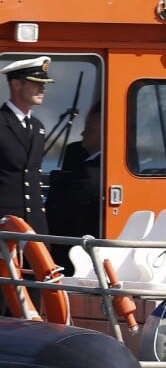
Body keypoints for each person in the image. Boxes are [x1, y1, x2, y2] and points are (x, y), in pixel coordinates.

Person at [0, 55, 54, 235]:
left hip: (35, 223)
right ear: (16, 84)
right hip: (6, 222)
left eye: (44, 84)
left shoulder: (38, 127)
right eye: (36, 83)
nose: (43, 88)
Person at [46, 103, 101, 275]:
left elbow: (62, 208)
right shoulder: (82, 163)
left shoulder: (92, 172)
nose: (82, 133)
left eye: (89, 130)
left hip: (71, 251)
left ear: (104, 134)